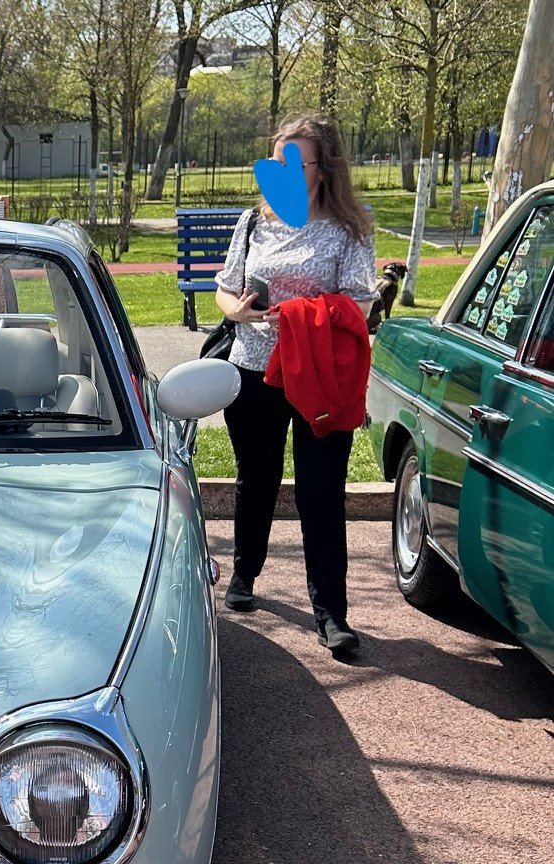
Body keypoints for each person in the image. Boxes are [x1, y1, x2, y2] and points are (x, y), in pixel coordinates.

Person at [213, 113, 377, 658]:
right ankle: (244, 575)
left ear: (321, 167)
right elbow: (224, 289)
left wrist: (302, 315)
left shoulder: (350, 228)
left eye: (293, 160)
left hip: (320, 373)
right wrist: (235, 310)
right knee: (255, 478)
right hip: (254, 366)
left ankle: (332, 613)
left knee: (321, 491)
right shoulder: (253, 221)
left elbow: (359, 303)